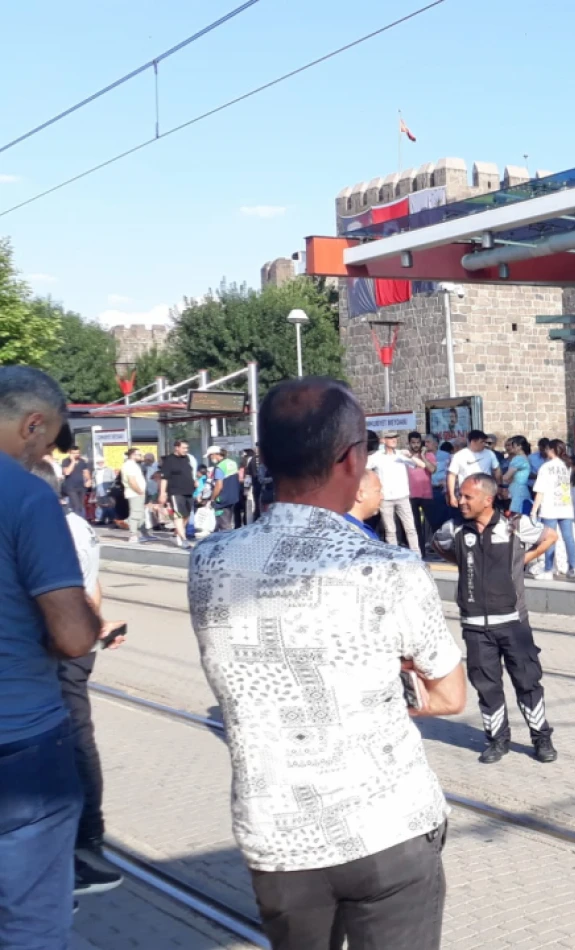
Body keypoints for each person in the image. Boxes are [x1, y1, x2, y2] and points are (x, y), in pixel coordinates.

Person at [189, 378, 466, 949]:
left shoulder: (210, 562)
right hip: (387, 826)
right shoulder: (387, 567)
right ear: (351, 458)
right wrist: (391, 686)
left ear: (264, 458)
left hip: (279, 834)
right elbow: (450, 696)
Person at [0, 368, 104, 946]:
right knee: (31, 922)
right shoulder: (25, 496)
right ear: (30, 424)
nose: (42, 454)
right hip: (20, 746)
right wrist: (88, 623)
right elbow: (71, 635)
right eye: (44, 441)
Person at [29, 456, 126, 896]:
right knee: (77, 737)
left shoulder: (46, 530)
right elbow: (91, 585)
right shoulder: (79, 526)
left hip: (56, 648)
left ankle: (81, 849)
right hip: (77, 644)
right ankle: (86, 841)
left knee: (63, 741)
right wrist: (99, 622)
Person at [433, 472, 556, 765]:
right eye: (460, 495)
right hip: (475, 625)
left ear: (487, 500)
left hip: (513, 622)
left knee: (527, 681)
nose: (460, 501)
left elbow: (550, 536)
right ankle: (498, 740)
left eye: (467, 496)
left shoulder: (515, 523)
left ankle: (541, 738)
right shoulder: (454, 528)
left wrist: (522, 560)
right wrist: (463, 562)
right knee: (486, 685)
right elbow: (438, 545)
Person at [366, 431, 423, 554]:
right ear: (383, 440)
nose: (393, 440)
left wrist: (410, 456)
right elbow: (363, 469)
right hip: (386, 498)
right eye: (390, 438)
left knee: (410, 528)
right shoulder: (377, 456)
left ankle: (417, 555)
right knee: (390, 530)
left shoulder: (401, 454)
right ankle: (394, 554)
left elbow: (422, 465)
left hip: (402, 496)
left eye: (395, 437)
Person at [532, 441, 575, 579]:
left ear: (551, 450)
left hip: (550, 507)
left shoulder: (546, 467)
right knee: (568, 538)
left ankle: (549, 569)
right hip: (565, 506)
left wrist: (534, 510)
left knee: (549, 538)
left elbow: (540, 491)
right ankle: (573, 566)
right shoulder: (567, 466)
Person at [445, 430, 498, 510]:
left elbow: (497, 470)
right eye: (482, 442)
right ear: (473, 442)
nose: (484, 444)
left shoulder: (490, 454)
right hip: (467, 494)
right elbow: (451, 475)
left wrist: (498, 487)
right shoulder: (459, 456)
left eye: (485, 442)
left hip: (485, 493)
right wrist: (452, 496)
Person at [158, 440, 197, 548]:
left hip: (189, 491)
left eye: (187, 448)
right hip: (175, 492)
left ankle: (176, 534)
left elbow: (189, 473)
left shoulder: (187, 458)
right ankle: (183, 539)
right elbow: (164, 478)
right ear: (177, 448)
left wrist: (194, 481)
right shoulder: (169, 460)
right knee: (178, 515)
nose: (186, 450)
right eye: (184, 448)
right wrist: (162, 493)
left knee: (186, 516)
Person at [405, 433, 438, 541]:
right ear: (409, 443)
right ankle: (420, 552)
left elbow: (432, 470)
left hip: (426, 494)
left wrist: (423, 456)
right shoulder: (405, 456)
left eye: (418, 442)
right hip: (411, 495)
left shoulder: (429, 455)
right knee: (415, 525)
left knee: (434, 522)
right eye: (413, 443)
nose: (416, 445)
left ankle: (439, 550)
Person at [501, 435, 535, 515]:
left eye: (513, 445)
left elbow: (506, 477)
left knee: (515, 515)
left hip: (516, 489)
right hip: (523, 488)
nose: (511, 447)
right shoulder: (525, 457)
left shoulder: (518, 459)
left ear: (519, 446)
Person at [120, 447, 148, 542]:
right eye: (139, 454)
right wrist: (139, 491)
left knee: (141, 514)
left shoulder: (133, 465)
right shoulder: (129, 465)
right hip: (134, 493)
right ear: (133, 455)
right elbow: (132, 481)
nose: (141, 456)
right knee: (135, 514)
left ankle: (145, 534)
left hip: (138, 492)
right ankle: (133, 535)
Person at [59, 444, 91, 518]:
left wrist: (89, 480)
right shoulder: (66, 461)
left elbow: (86, 471)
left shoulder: (82, 461)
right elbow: (67, 472)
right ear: (70, 453)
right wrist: (73, 462)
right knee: (75, 505)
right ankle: (78, 521)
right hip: (71, 487)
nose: (77, 455)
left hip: (81, 486)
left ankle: (81, 519)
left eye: (78, 453)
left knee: (81, 505)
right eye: (74, 453)